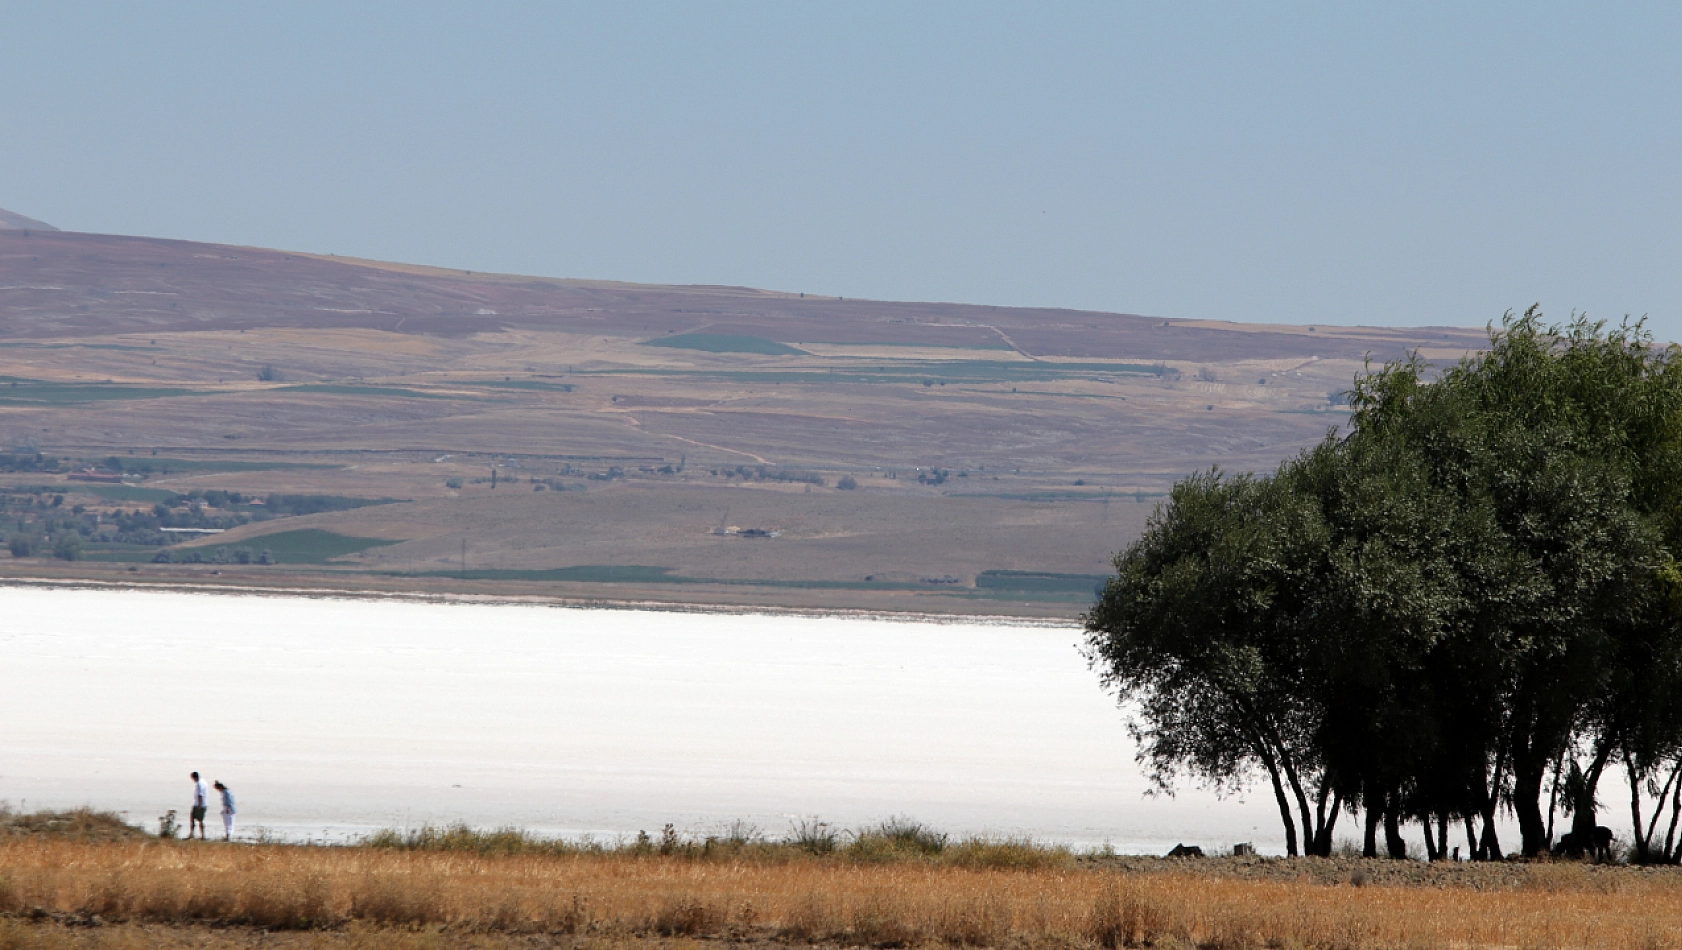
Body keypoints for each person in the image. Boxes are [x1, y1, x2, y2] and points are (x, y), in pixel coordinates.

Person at [189, 771, 209, 839]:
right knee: (193, 818)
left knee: (199, 820)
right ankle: (192, 834)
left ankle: (202, 836)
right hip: (201, 804)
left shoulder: (199, 784)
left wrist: (199, 805)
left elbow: (200, 795)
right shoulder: (203, 781)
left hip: (199, 805)